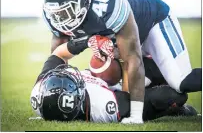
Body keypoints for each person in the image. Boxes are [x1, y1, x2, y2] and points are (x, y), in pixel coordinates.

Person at [42, 0, 201, 123]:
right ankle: (176, 106)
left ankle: (167, 84)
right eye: (57, 12)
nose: (60, 18)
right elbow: (57, 56)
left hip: (153, 25)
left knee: (180, 82)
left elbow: (133, 59)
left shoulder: (108, 4)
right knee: (113, 87)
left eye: (67, 10)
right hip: (124, 43)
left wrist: (135, 116)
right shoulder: (55, 17)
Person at [30, 45, 198, 123]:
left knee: (165, 70)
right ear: (81, 98)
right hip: (118, 93)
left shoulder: (41, 89)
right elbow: (130, 97)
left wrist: (82, 42)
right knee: (174, 95)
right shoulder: (103, 107)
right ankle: (176, 109)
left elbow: (58, 54)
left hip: (104, 78)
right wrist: (126, 64)